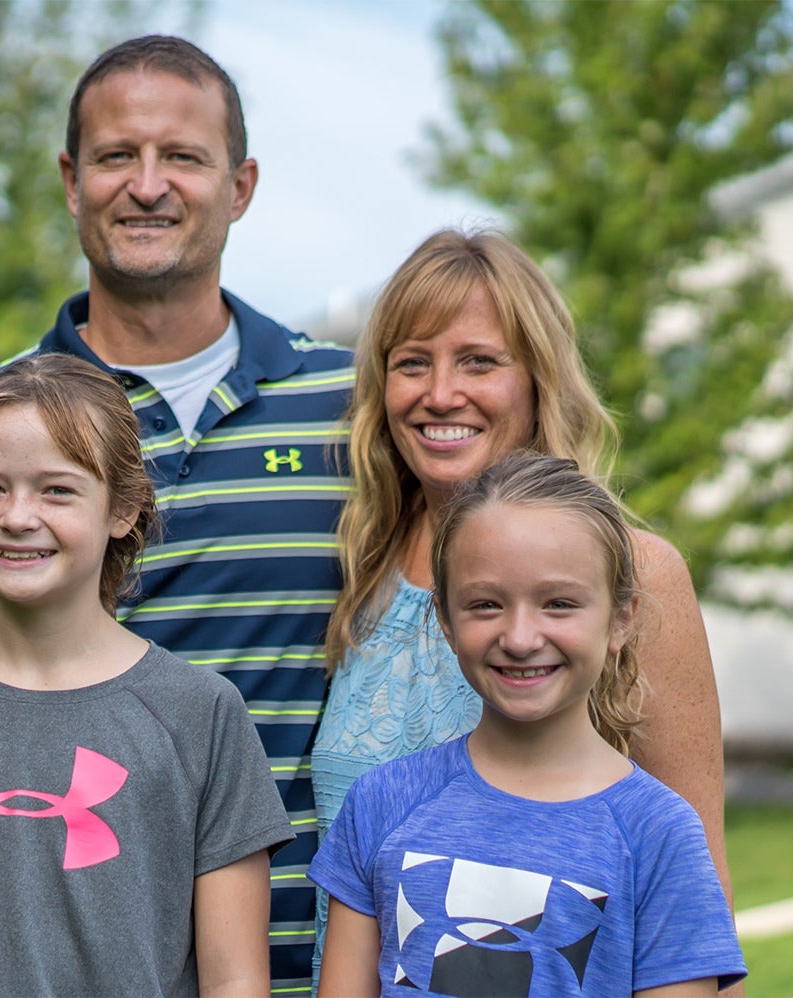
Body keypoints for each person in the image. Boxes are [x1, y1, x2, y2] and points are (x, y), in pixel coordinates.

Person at [0, 35, 355, 991]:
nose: (148, 185)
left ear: (240, 186)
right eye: (118, 156)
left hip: (320, 966)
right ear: (72, 180)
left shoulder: (356, 417)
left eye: (185, 158)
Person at [308, 229, 731, 979]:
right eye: (412, 363)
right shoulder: (363, 563)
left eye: (479, 360)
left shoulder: (640, 577)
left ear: (538, 379)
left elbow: (698, 907)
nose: (441, 393)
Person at [0, 354, 292, 996]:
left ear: (122, 509)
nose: (17, 516)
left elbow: (235, 980)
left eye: (56, 489)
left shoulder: (201, 714)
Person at [309, 453, 745, 996]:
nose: (519, 638)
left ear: (622, 618)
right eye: (486, 604)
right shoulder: (380, 801)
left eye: (558, 604)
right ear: (444, 618)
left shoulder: (659, 833)